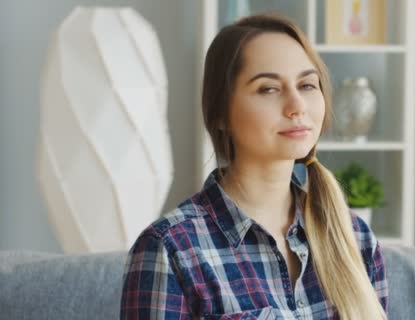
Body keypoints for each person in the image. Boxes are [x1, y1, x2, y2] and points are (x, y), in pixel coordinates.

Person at [120, 13, 388, 320]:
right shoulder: (169, 249)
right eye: (269, 89)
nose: (297, 105)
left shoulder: (356, 238)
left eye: (307, 85)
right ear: (220, 113)